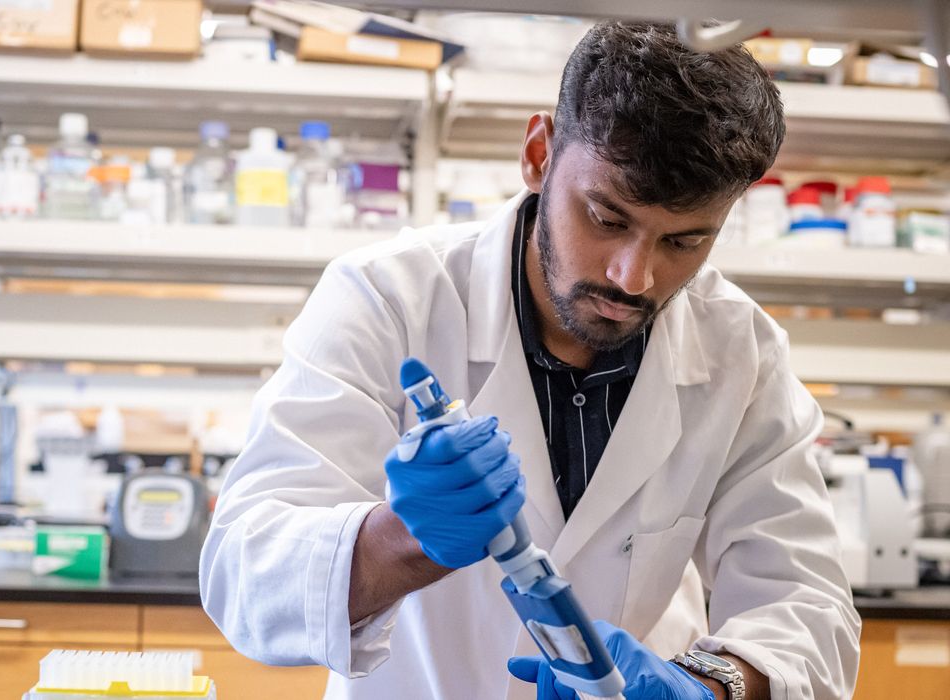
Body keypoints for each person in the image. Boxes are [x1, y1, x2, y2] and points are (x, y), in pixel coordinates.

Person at [200, 21, 860, 700]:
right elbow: (245, 574)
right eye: (607, 219)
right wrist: (406, 538)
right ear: (540, 153)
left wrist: (710, 687)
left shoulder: (740, 351)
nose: (635, 277)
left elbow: (807, 605)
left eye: (686, 241)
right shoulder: (387, 297)